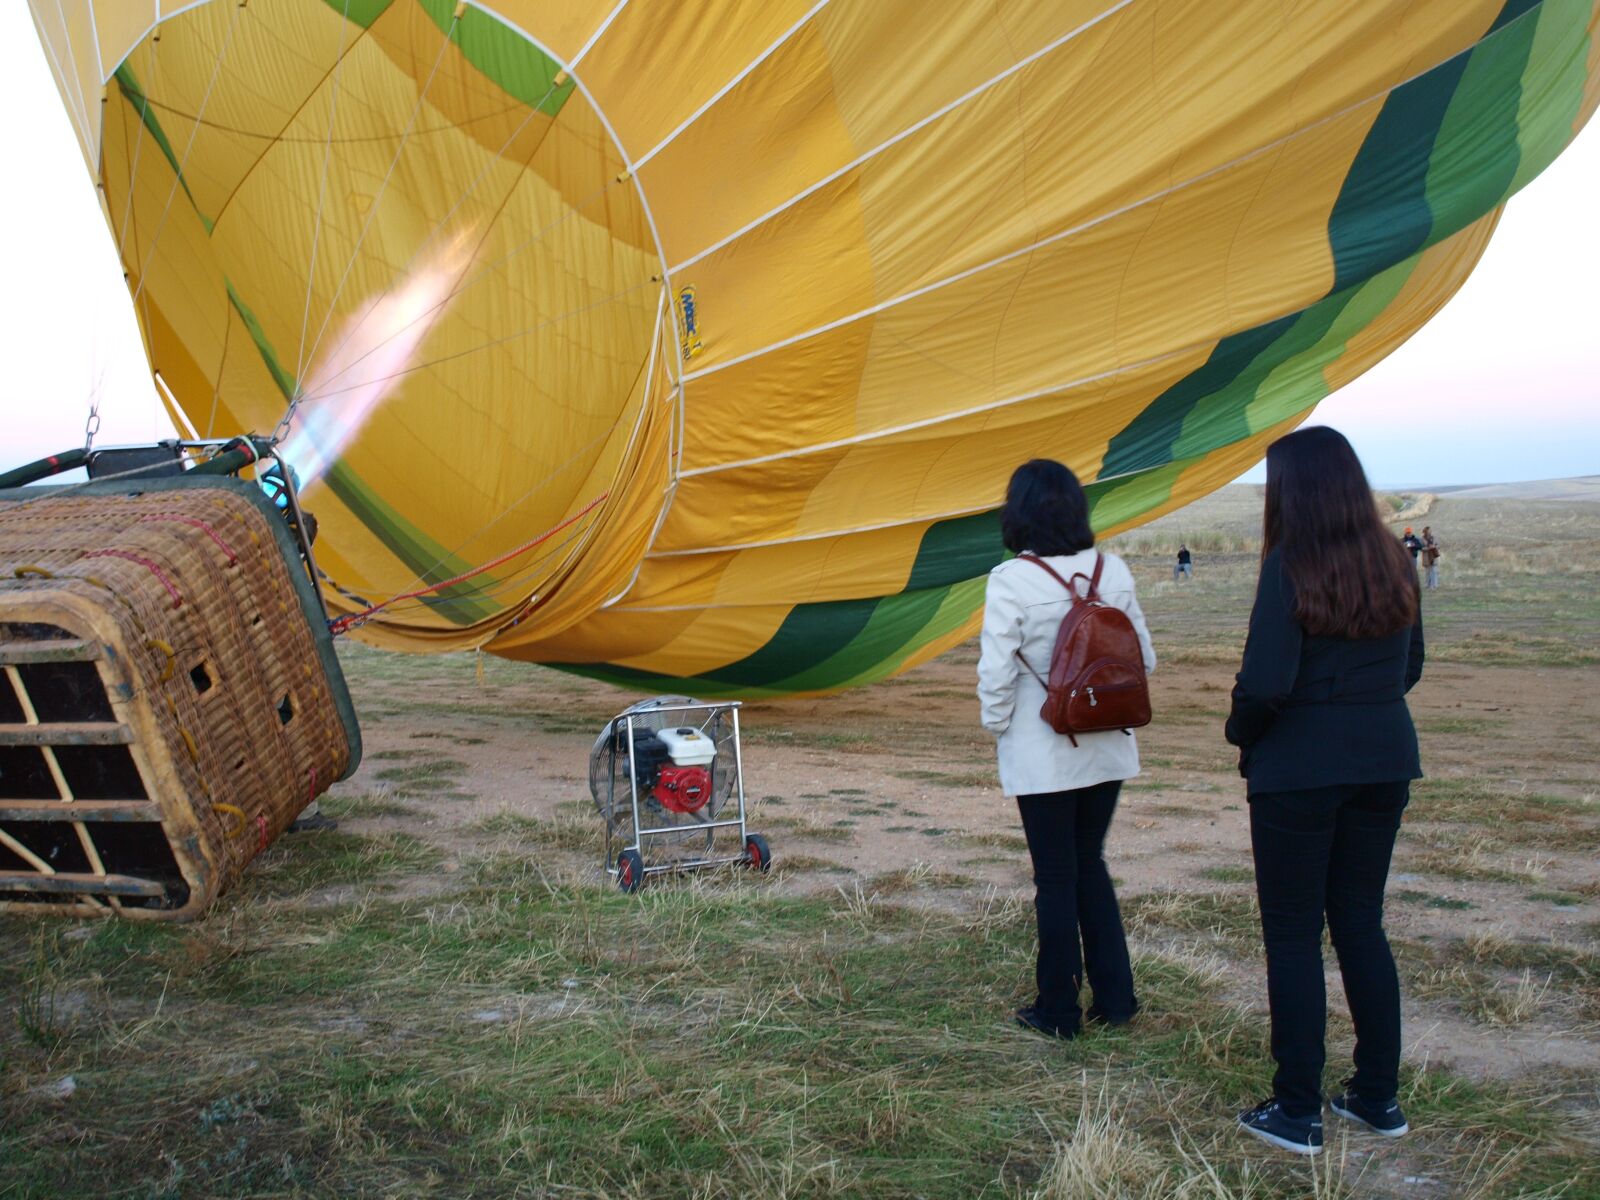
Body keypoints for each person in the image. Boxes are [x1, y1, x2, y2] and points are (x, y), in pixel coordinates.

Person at [1226, 427, 1424, 1156]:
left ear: (1294, 490)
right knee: (1361, 925)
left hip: (1300, 769)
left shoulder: (1288, 565)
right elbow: (1412, 665)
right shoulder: (1395, 562)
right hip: (1385, 760)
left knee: (1292, 936)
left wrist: (1239, 730)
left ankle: (1297, 1111)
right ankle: (1377, 1098)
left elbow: (1267, 683)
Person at [978, 459, 1157, 1040]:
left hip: (1043, 747)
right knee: (1090, 866)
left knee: (1055, 877)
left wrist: (999, 727)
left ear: (1019, 512)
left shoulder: (1011, 579)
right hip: (1108, 742)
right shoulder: (1114, 570)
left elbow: (997, 673)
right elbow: (1144, 661)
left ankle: (1057, 1009)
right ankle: (1116, 999)